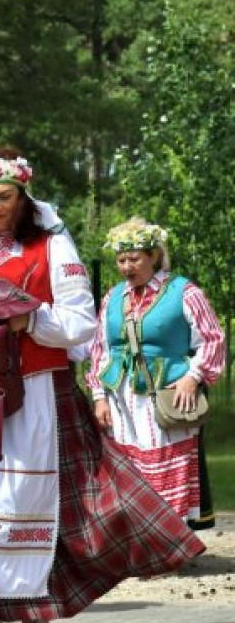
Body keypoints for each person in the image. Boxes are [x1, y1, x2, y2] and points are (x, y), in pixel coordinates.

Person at [0, 148, 206, 623]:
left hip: (38, 389)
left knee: (37, 501)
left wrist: (31, 319)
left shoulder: (52, 246)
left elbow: (80, 321)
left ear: (22, 198)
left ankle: (36, 608)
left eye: (5, 197)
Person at [87, 218, 224, 530]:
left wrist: (193, 377)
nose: (126, 267)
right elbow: (100, 349)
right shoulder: (112, 298)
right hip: (121, 398)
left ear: (154, 256)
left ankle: (169, 538)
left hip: (167, 393)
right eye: (121, 260)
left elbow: (213, 339)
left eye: (134, 259)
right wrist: (99, 396)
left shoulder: (184, 292)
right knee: (129, 465)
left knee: (165, 463)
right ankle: (141, 539)